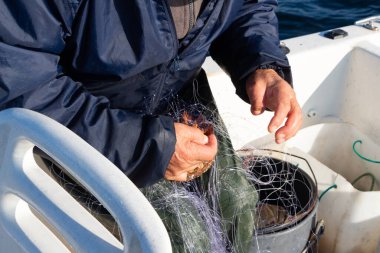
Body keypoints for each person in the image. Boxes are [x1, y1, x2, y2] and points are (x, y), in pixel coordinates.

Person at [0, 0, 302, 252]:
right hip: (78, 125)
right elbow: (22, 87)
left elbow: (246, 8)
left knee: (237, 202)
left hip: (177, 96)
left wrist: (261, 65)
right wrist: (147, 146)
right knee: (182, 234)